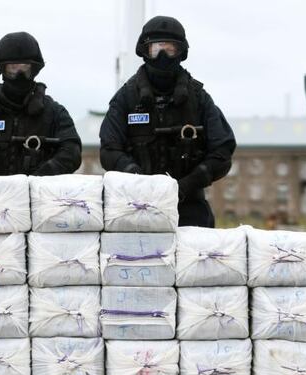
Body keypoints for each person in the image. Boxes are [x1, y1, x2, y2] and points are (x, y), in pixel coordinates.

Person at [99, 16, 236, 227]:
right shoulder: (126, 98)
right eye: (156, 49)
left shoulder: (198, 98)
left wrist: (186, 185)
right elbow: (109, 150)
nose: (162, 55)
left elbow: (223, 152)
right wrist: (137, 177)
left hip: (189, 206)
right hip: (137, 205)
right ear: (145, 51)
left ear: (181, 52)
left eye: (169, 49)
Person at [0, 32, 82, 176]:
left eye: (25, 68)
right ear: (2, 69)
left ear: (34, 69)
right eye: (13, 69)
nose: (19, 75)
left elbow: (72, 151)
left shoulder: (53, 113)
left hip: (39, 195)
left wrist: (40, 178)